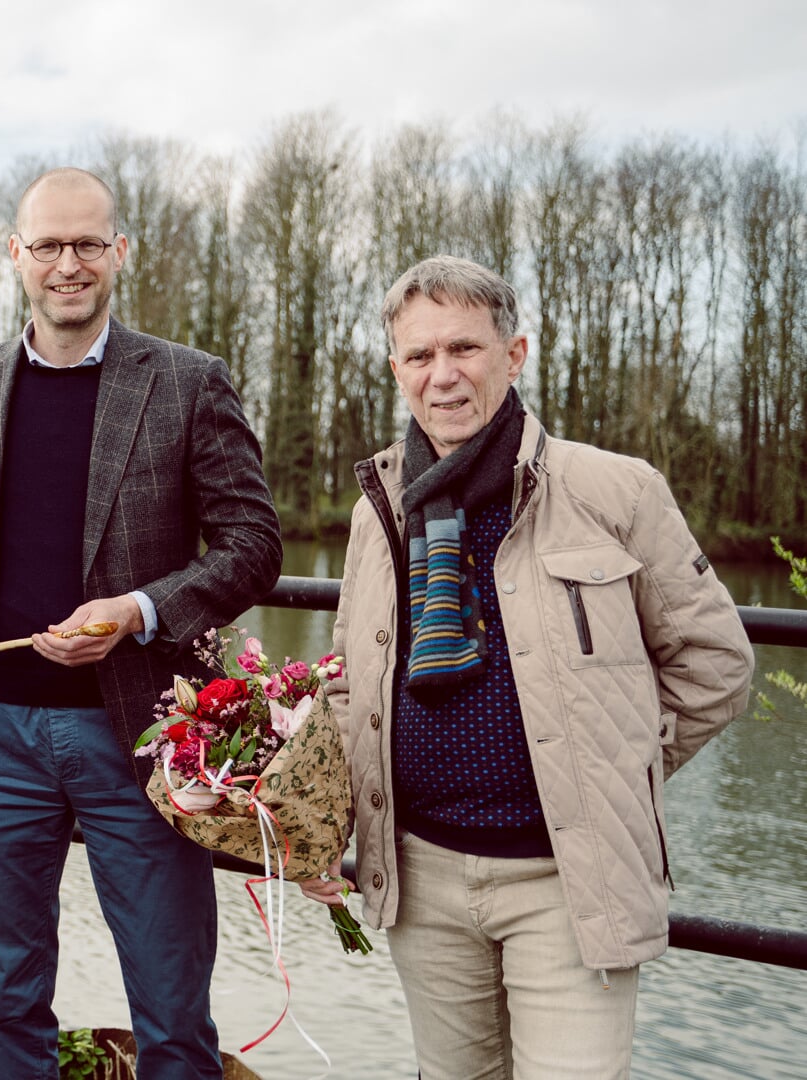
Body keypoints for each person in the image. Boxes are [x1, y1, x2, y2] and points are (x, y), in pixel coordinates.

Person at [0, 168, 282, 1079]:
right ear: (15, 255)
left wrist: (139, 611)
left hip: (147, 740)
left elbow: (252, 545)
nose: (66, 264)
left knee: (170, 1010)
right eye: (47, 245)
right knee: (9, 1004)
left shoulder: (188, 382)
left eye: (87, 244)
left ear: (120, 251)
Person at [300, 255, 755, 1078]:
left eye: (464, 349)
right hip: (418, 877)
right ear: (393, 368)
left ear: (513, 355)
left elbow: (714, 663)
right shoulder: (380, 506)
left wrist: (613, 767)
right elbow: (346, 680)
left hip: (566, 881)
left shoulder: (615, 490)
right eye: (419, 355)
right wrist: (318, 821)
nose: (442, 376)